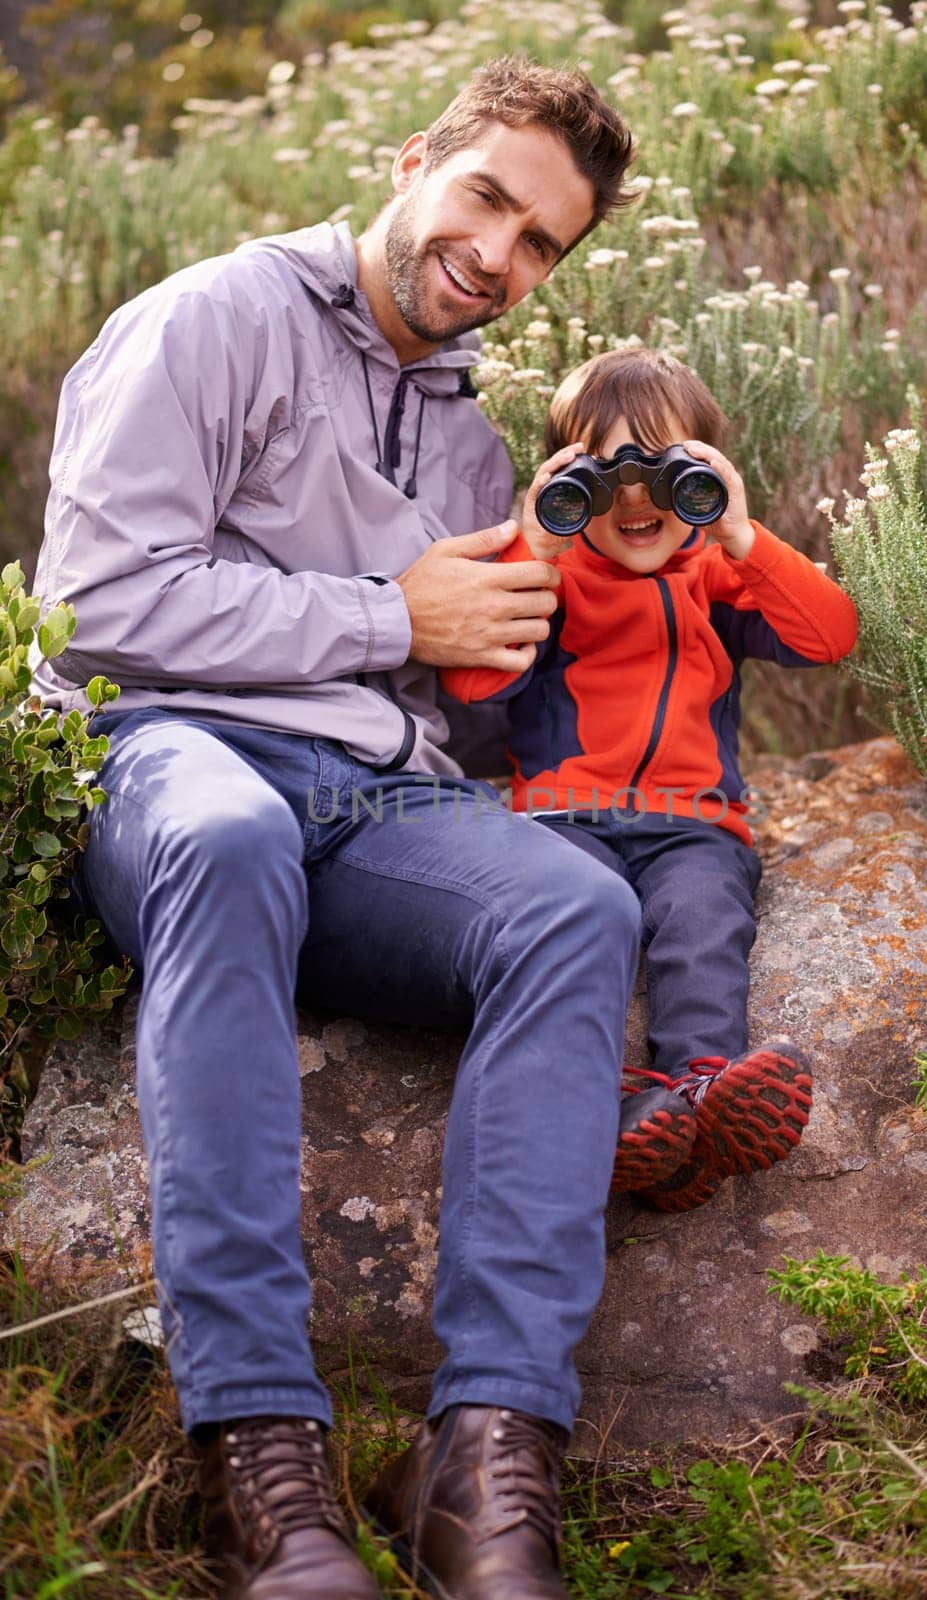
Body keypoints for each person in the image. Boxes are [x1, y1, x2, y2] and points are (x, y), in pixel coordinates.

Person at [29, 59, 643, 1600]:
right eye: (489, 197)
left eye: (542, 242)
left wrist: (566, 626)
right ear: (416, 158)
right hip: (166, 754)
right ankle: (260, 1456)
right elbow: (91, 609)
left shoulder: (476, 447)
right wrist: (387, 611)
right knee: (229, 836)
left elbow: (448, 713)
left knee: (575, 911)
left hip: (372, 798)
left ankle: (486, 1456)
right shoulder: (211, 317)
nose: (498, 256)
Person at [440, 346, 859, 1210]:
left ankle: (703, 1092)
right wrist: (537, 547)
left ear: (705, 477)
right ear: (564, 481)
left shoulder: (718, 578)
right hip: (564, 823)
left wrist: (741, 533)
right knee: (571, 935)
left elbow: (830, 636)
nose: (636, 498)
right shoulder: (550, 586)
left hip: (693, 824)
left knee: (702, 924)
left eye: (665, 472)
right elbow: (472, 682)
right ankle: (628, 1112)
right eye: (602, 476)